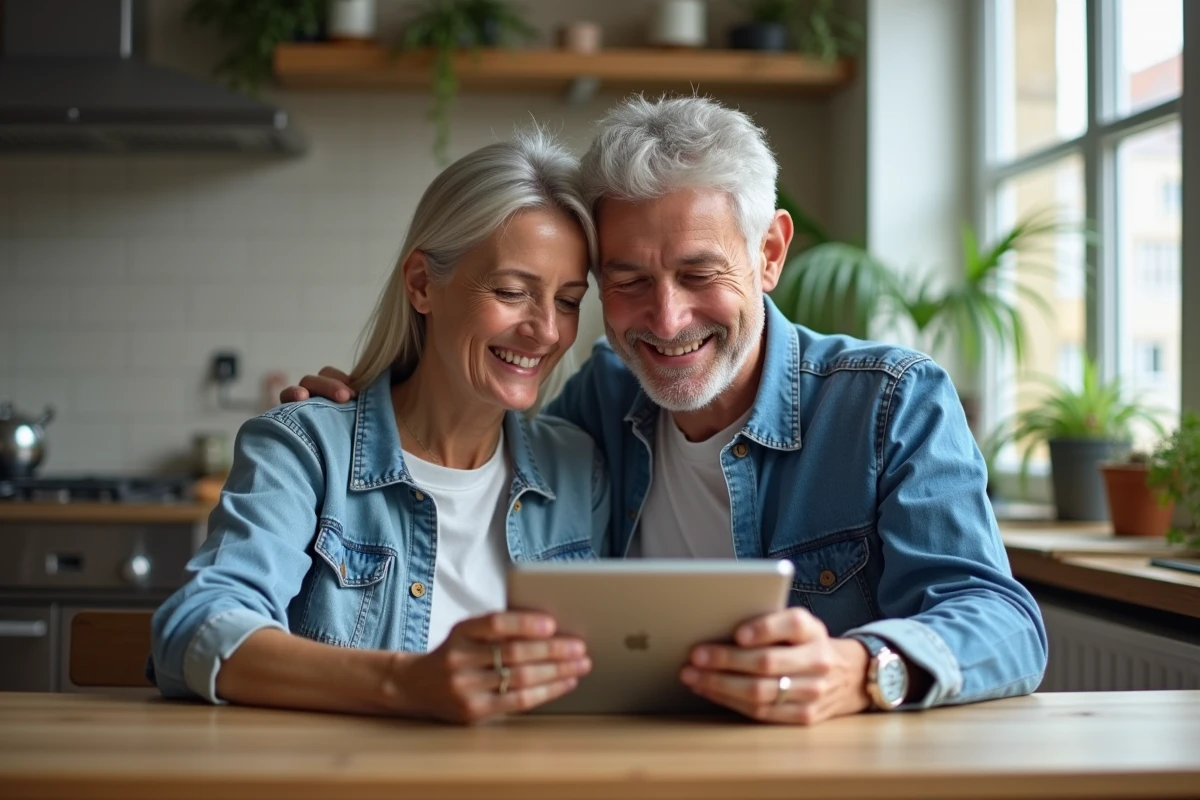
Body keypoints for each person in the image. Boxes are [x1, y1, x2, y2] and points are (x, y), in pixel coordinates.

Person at [284, 95, 1048, 726]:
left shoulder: (887, 402)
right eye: (627, 281)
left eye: (698, 272)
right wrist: (364, 410)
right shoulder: (599, 403)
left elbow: (1003, 623)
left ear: (770, 255)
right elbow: (465, 418)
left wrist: (860, 668)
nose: (667, 318)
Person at [150, 130, 611, 724]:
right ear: (422, 283)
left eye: (569, 301)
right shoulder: (305, 449)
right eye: (512, 291)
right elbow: (193, 631)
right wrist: (406, 684)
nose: (547, 331)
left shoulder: (580, 469)